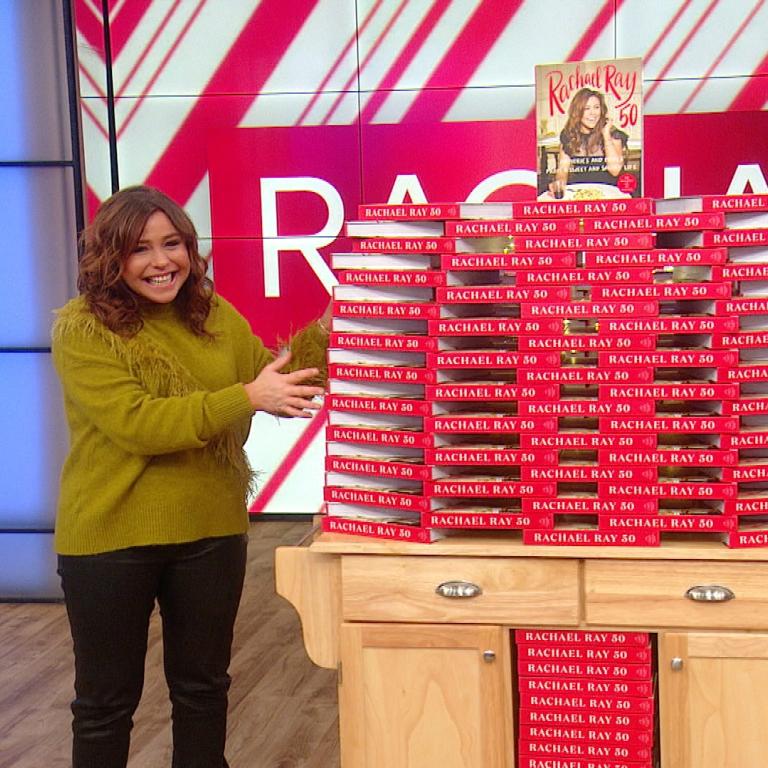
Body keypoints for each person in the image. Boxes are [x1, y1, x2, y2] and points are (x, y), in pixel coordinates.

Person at [51, 185, 330, 768]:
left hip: (211, 529)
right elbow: (139, 424)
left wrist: (335, 330)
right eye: (139, 249)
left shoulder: (211, 312)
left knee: (204, 691)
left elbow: (270, 375)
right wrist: (245, 398)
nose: (161, 262)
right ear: (110, 258)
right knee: (106, 704)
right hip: (110, 537)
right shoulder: (82, 329)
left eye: (172, 244)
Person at [548, 87, 628, 198]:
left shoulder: (613, 133)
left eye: (596, 107)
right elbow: (562, 169)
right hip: (578, 191)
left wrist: (606, 135)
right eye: (587, 108)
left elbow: (615, 171)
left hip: (608, 192)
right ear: (577, 111)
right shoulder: (569, 134)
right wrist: (559, 184)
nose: (593, 113)